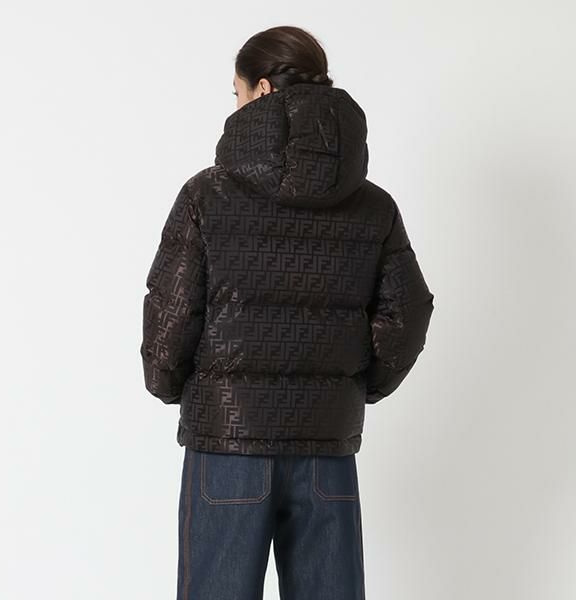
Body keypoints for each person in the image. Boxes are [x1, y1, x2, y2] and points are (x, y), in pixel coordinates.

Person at [140, 25, 434, 600]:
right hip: (326, 445)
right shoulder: (373, 206)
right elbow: (408, 313)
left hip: (226, 442)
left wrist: (168, 383)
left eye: (237, 92)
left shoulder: (206, 195)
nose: (235, 104)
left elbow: (171, 314)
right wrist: (351, 386)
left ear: (263, 90)